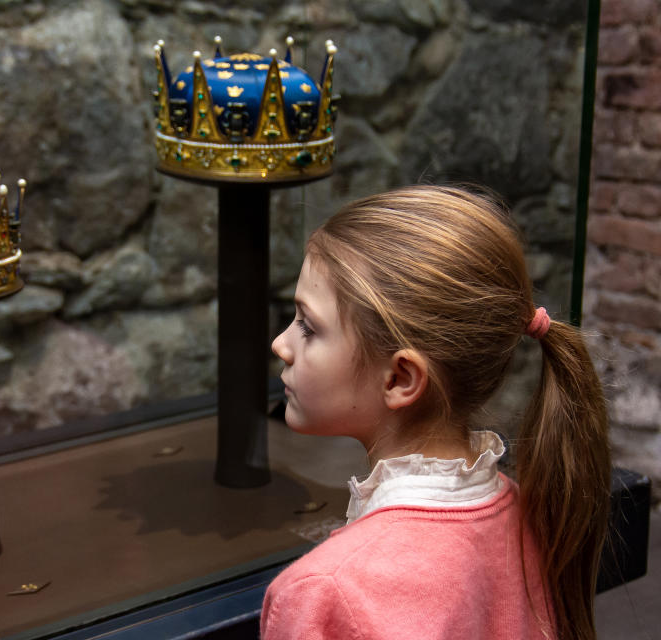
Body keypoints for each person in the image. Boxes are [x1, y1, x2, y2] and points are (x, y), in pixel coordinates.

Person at [260, 185, 611, 640]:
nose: (281, 344)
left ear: (401, 379)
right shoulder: (532, 517)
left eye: (308, 326)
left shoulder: (323, 594)